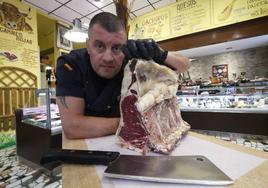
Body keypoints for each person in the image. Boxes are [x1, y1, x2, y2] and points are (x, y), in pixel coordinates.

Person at [56, 12, 190, 139]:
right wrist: (133, 123)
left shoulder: (131, 59)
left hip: (129, 142)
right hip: (85, 146)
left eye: (116, 48)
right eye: (100, 46)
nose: (108, 58)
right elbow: (72, 127)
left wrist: (160, 53)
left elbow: (185, 65)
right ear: (88, 45)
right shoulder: (71, 65)